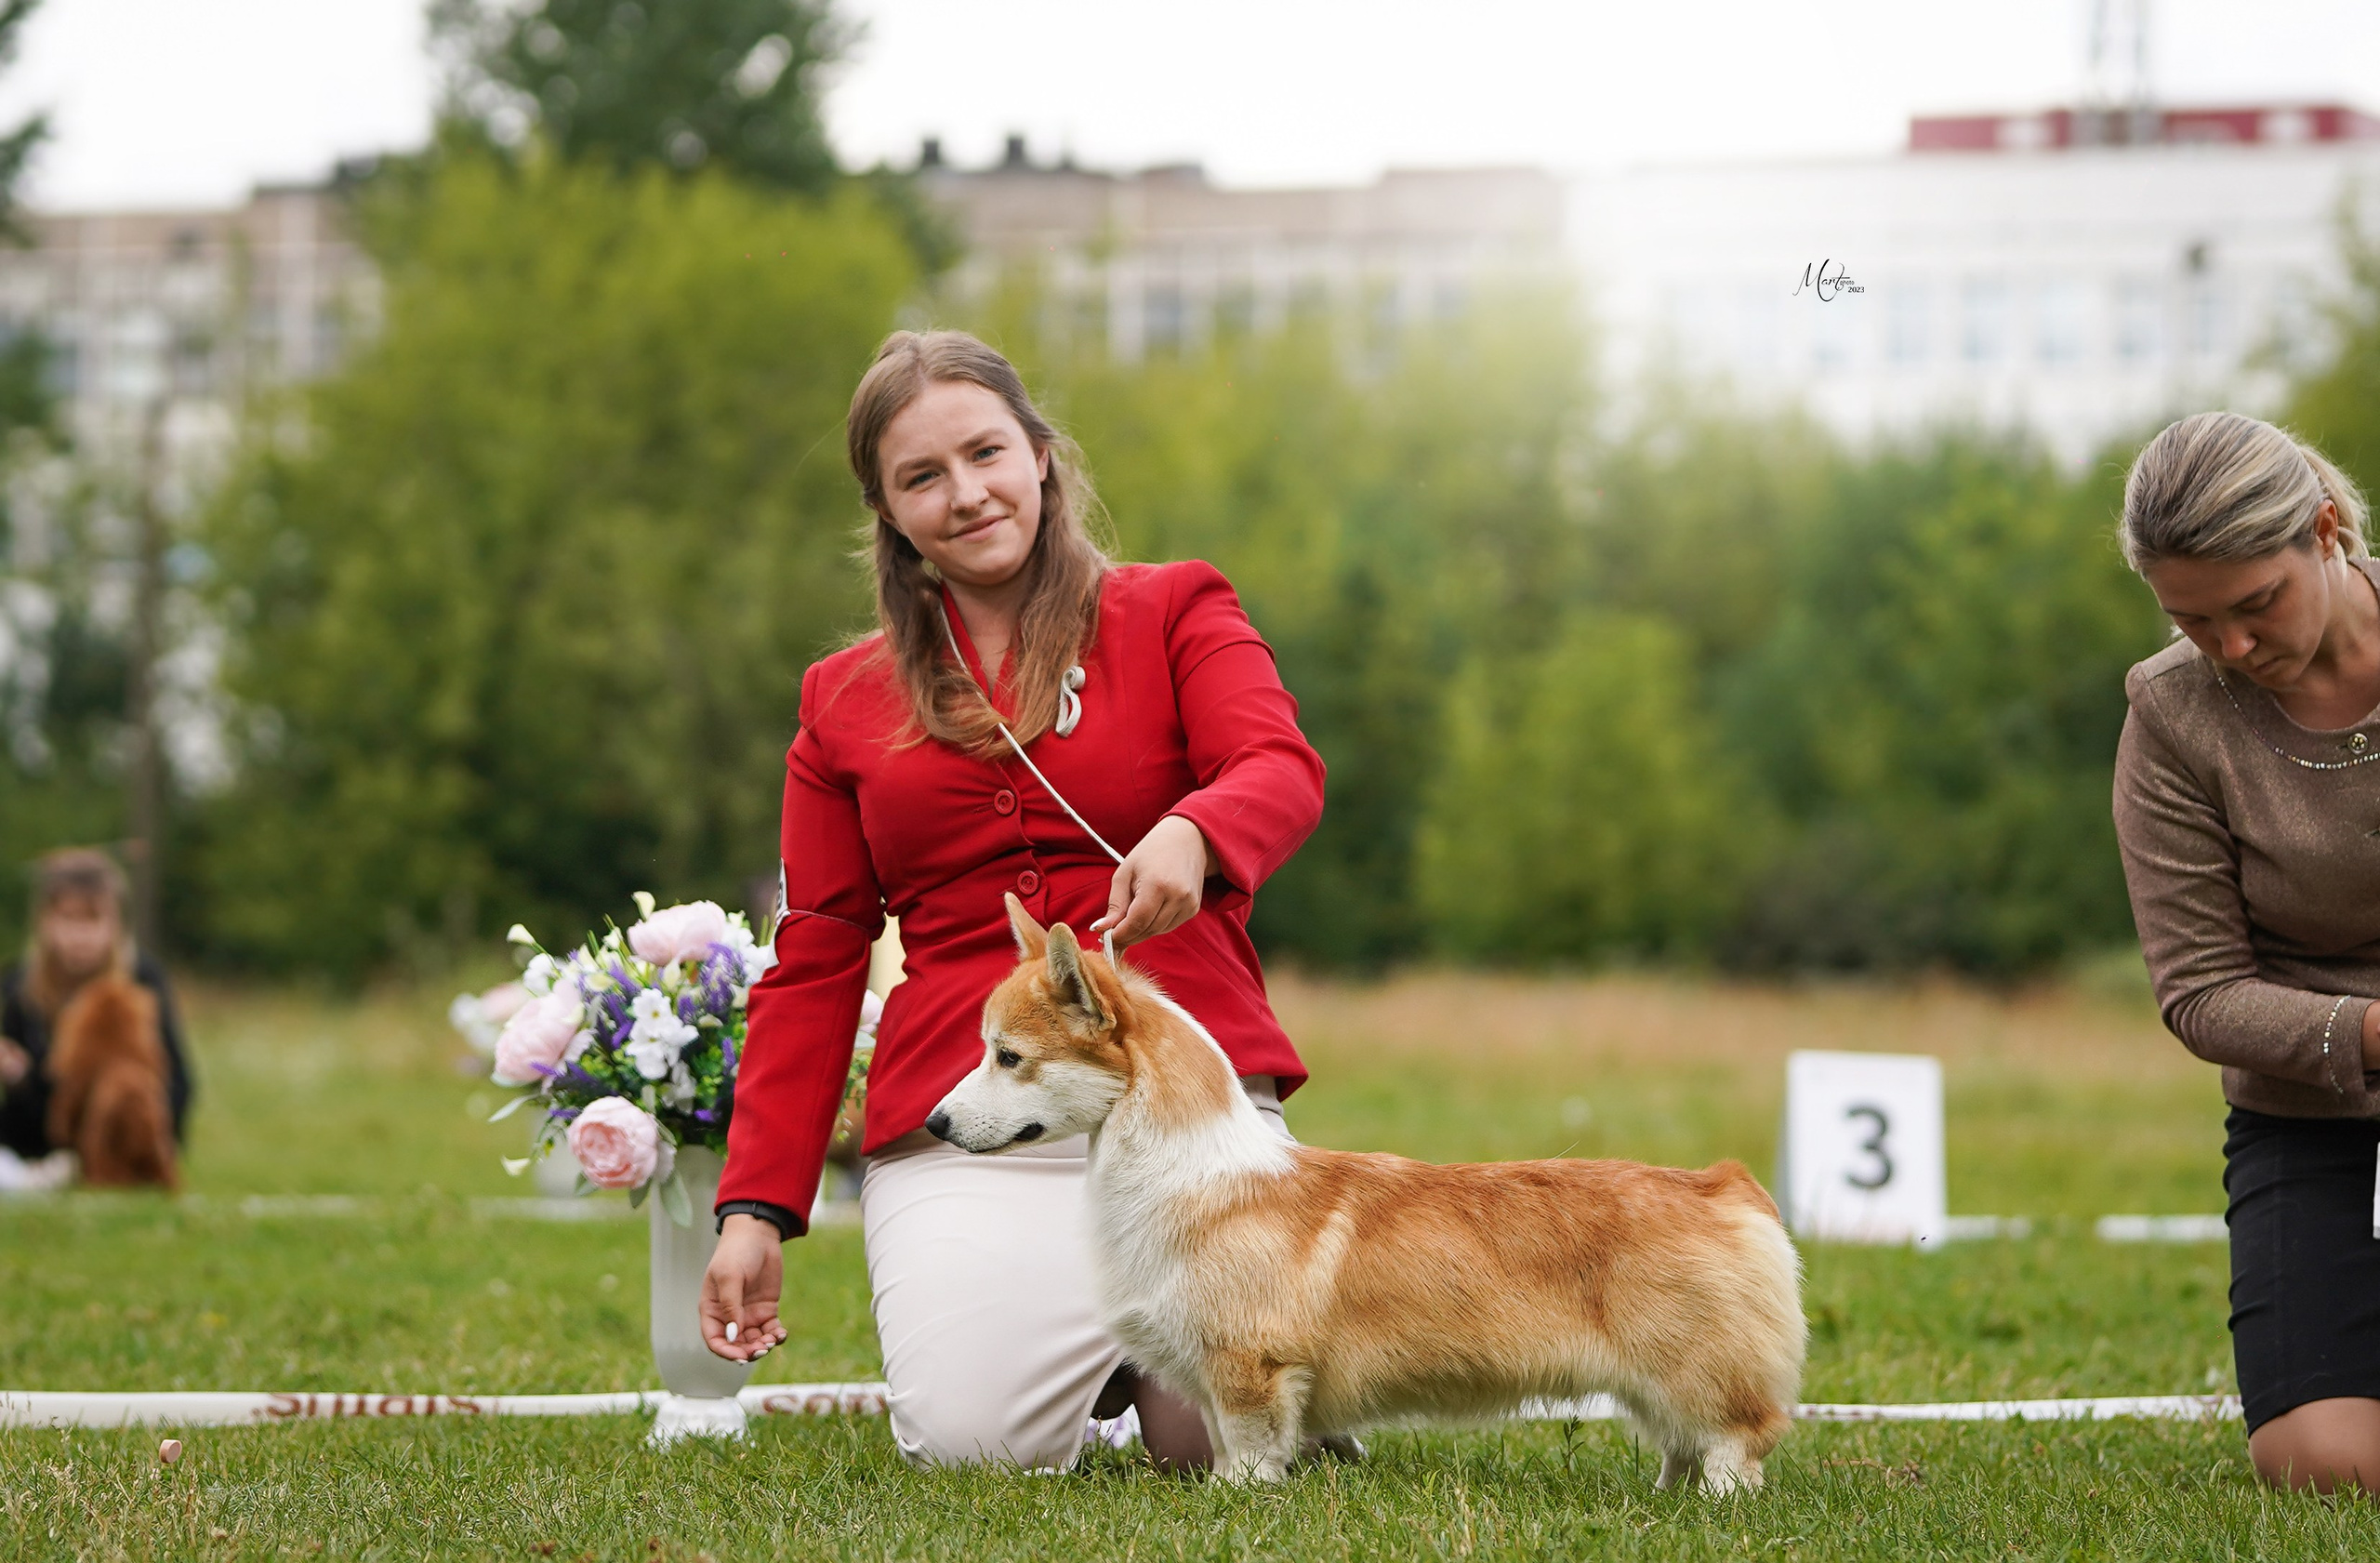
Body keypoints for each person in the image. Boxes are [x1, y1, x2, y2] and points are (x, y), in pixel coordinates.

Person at [700, 329, 1326, 1472]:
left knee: (1215, 1438)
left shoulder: (1177, 608)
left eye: (986, 452)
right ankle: (1121, 1348)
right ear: (889, 515)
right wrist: (757, 1208)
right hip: (967, 1108)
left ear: (1041, 455)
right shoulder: (838, 701)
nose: (965, 493)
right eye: (921, 477)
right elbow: (820, 952)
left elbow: (1280, 767)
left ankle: (1161, 1366)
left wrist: (1198, 827)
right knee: (971, 1442)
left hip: (1180, 1085)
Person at [2113, 411, 2380, 1495]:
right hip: (2309, 1119)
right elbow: (2200, 992)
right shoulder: (2169, 714)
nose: (2229, 648)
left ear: (2324, 531)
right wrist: (2365, 1032)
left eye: (2254, 604)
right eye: (2191, 619)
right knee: (2320, 1466)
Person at [0, 848, 195, 1165]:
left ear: (116, 922)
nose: (80, 935)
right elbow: (24, 1108)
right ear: (45, 921)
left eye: (92, 919)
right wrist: (18, 1076)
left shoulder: (141, 980)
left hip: (123, 1141)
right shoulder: (20, 988)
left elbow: (178, 1083)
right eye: (67, 918)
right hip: (42, 1144)